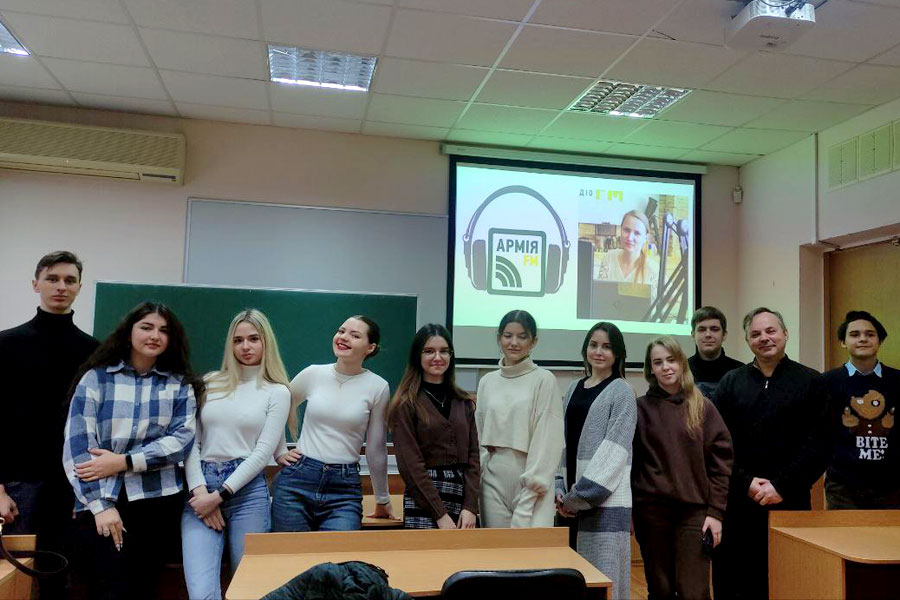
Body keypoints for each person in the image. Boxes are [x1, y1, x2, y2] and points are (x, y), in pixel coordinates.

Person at [63, 302, 201, 600]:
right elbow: (77, 445)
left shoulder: (179, 384)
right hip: (102, 499)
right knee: (106, 589)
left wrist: (124, 461)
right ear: (129, 333)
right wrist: (100, 506)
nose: (155, 336)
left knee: (144, 588)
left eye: (163, 330)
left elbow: (181, 441)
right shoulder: (96, 378)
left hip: (157, 502)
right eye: (146, 327)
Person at [0, 251, 98, 599]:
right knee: (14, 579)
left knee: (60, 579)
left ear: (79, 288)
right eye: (52, 279)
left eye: (70, 280)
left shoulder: (94, 352)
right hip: (16, 484)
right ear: (36, 284)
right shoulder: (5, 344)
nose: (61, 286)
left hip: (70, 483)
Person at [181, 309, 291, 599]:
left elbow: (262, 453)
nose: (245, 346)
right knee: (201, 593)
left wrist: (218, 497)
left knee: (247, 591)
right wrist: (201, 493)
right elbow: (190, 442)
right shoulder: (209, 382)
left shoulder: (277, 392)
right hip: (201, 490)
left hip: (247, 494)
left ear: (266, 342)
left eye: (254, 339)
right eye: (238, 340)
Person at [711, 307, 820, 600]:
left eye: (771, 331)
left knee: (789, 582)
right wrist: (745, 482)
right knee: (736, 584)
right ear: (748, 341)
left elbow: (819, 444)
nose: (764, 338)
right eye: (756, 334)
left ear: (785, 334)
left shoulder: (811, 382)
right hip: (738, 502)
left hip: (790, 501)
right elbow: (716, 444)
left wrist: (782, 486)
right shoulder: (731, 382)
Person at [271, 315, 394, 531]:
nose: (343, 337)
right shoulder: (313, 373)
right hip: (298, 479)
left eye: (355, 335)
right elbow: (276, 409)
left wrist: (382, 498)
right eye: (341, 331)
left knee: (338, 552)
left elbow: (376, 447)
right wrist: (279, 451)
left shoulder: (378, 386)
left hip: (343, 488)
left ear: (370, 348)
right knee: (290, 551)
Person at [632, 336, 733, 600]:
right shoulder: (639, 409)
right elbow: (631, 465)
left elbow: (721, 465)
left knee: (693, 590)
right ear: (650, 369)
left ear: (682, 363)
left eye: (671, 360)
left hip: (693, 514)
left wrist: (716, 513)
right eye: (658, 362)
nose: (666, 367)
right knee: (660, 590)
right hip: (651, 514)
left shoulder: (702, 407)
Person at [554, 322, 636, 600]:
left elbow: (614, 454)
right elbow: (562, 443)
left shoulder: (622, 391)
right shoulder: (573, 388)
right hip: (569, 505)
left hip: (603, 504)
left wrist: (576, 498)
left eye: (607, 347)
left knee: (603, 585)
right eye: (594, 345)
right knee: (571, 585)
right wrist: (559, 488)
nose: (599, 351)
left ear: (618, 353)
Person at [475, 310, 563, 528]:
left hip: (533, 485)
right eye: (508, 335)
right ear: (499, 338)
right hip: (492, 483)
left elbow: (547, 442)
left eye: (522, 336)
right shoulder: (487, 382)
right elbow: (479, 436)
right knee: (497, 549)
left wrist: (529, 496)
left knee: (532, 549)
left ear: (534, 341)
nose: (514, 342)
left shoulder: (544, 380)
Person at [388, 324, 479, 529]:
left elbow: (474, 458)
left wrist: (470, 507)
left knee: (462, 551)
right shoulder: (406, 404)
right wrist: (440, 514)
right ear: (417, 356)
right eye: (429, 351)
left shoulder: (463, 402)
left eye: (444, 351)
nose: (438, 357)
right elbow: (411, 465)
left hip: (461, 499)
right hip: (424, 498)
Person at [806, 311, 899, 509]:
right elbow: (818, 434)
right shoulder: (826, 382)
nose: (863, 339)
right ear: (843, 342)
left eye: (870, 334)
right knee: (843, 531)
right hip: (843, 487)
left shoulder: (897, 381)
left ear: (880, 341)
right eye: (855, 334)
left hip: (892, 485)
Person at [596, 210, 658, 303]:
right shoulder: (609, 258)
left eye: (637, 233)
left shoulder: (653, 268)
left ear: (645, 237)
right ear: (620, 230)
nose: (630, 237)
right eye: (626, 230)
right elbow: (600, 294)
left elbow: (672, 298)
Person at [687, 306, 744, 398]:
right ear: (693, 335)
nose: (708, 335)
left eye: (714, 329)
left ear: (724, 335)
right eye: (702, 329)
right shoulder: (682, 370)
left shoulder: (740, 371)